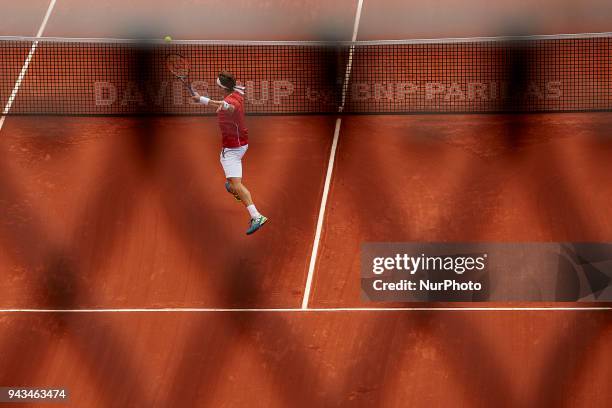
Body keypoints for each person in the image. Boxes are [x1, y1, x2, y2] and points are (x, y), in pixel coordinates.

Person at [192, 72, 268, 235]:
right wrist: (206, 101)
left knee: (236, 184)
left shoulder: (231, 101)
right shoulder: (237, 91)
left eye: (218, 86)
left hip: (233, 148)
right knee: (230, 179)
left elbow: (229, 106)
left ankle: (257, 216)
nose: (217, 88)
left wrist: (203, 99)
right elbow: (224, 103)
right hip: (241, 142)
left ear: (222, 88)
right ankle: (232, 186)